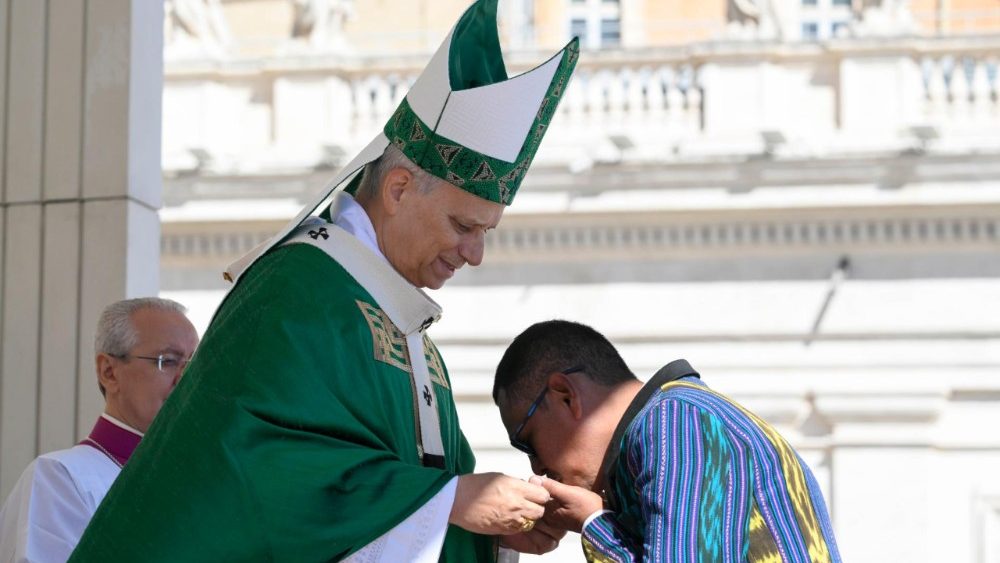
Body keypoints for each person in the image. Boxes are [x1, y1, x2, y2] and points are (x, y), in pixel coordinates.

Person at [70, 1, 578, 561]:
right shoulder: (295, 292)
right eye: (463, 226)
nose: (476, 254)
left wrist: (488, 528)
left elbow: (413, 494)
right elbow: (256, 476)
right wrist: (451, 502)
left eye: (486, 232)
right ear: (400, 188)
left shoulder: (409, 331)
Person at [493, 320, 843, 562]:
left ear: (564, 395)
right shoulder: (674, 422)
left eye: (528, 442)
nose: (537, 468)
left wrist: (593, 523)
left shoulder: (677, 422)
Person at [0, 297, 198, 562]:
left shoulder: (197, 478)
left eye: (194, 365)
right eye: (168, 361)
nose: (186, 379)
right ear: (109, 372)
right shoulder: (60, 478)